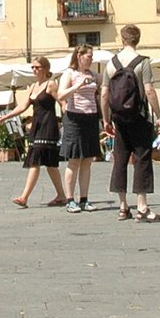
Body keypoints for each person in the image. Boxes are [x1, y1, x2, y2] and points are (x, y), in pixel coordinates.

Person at [105, 24, 160, 222]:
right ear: (138, 40)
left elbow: (104, 94)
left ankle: (123, 207)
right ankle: (142, 207)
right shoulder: (143, 62)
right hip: (139, 117)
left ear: (122, 39)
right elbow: (149, 91)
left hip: (118, 119)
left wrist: (106, 119)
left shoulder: (111, 63)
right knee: (142, 159)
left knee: (120, 159)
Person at [0, 58, 67, 208]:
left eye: (37, 67)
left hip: (48, 126)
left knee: (36, 159)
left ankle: (24, 197)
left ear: (45, 68)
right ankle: (61, 195)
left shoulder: (51, 84)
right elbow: (23, 106)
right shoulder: (33, 86)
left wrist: (67, 116)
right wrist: (7, 116)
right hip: (37, 126)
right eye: (33, 67)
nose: (34, 70)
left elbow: (62, 101)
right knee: (50, 164)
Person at [56, 44, 103, 213]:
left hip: (91, 118)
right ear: (79, 56)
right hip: (74, 119)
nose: (91, 59)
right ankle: (70, 200)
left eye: (92, 56)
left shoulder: (94, 75)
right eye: (89, 56)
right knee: (74, 160)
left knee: (88, 160)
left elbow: (107, 83)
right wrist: (78, 86)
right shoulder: (69, 73)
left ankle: (84, 199)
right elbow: (60, 95)